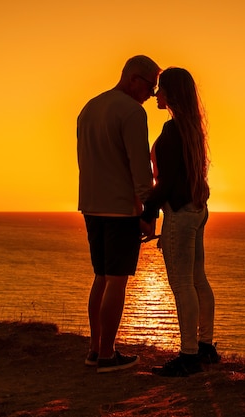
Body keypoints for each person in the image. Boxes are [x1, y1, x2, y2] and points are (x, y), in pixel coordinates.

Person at [77, 55, 161, 373]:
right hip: (120, 208)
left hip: (91, 204)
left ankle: (95, 349)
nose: (151, 95)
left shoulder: (89, 107)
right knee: (116, 280)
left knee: (100, 276)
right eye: (150, 87)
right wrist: (148, 209)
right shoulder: (131, 112)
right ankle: (108, 356)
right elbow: (140, 166)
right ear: (134, 79)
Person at [141, 67, 220, 377]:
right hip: (198, 209)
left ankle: (188, 355)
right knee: (198, 279)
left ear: (171, 93)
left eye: (161, 89)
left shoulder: (173, 130)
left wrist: (147, 214)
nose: (156, 94)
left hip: (181, 212)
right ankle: (205, 347)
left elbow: (169, 182)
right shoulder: (191, 128)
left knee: (182, 283)